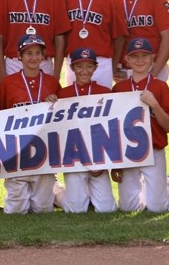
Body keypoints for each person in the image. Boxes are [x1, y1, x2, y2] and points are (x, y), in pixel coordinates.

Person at [0, 34, 61, 213]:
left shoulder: (52, 83)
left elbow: (62, 119)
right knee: (16, 210)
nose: (33, 57)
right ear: (20, 56)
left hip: (44, 153)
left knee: (42, 209)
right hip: (17, 154)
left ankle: (56, 191)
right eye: (28, 53)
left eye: (38, 53)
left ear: (43, 56)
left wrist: (54, 103)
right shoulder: (8, 83)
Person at [111, 38, 169, 213]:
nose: (140, 60)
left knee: (158, 208)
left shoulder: (160, 86)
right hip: (128, 152)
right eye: (135, 56)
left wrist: (154, 104)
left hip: (154, 150)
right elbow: (114, 128)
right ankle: (150, 188)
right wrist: (115, 162)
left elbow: (168, 127)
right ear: (127, 60)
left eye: (144, 56)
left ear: (152, 59)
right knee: (127, 208)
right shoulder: (119, 88)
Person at [54, 47, 117, 213]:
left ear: (95, 68)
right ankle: (56, 193)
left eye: (89, 66)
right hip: (74, 158)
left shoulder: (105, 93)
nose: (84, 71)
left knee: (107, 209)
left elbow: (113, 129)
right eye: (79, 66)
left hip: (98, 159)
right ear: (72, 68)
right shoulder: (63, 94)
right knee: (76, 209)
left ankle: (168, 181)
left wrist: (104, 162)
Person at [63, 0, 127, 89]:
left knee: (101, 107)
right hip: (74, 61)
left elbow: (119, 37)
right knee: (74, 104)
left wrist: (113, 64)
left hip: (101, 62)